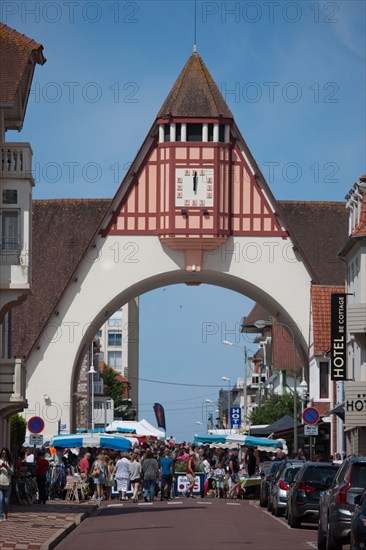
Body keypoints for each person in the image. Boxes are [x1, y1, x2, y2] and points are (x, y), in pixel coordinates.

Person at [0, 447, 14, 521]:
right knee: (1, 500)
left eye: (5, 453)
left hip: (8, 483)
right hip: (0, 483)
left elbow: (12, 473)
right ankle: (1, 515)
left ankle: (5, 513)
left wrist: (7, 467)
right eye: (3, 453)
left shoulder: (10, 463)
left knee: (5, 501)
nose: (4, 455)